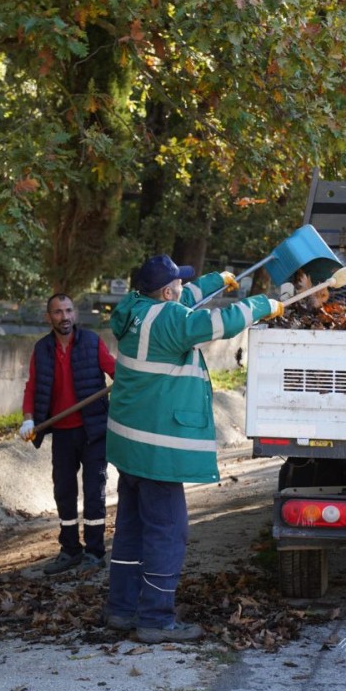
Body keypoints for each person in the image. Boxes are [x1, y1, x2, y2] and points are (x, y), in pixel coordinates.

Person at [103, 254, 282, 643]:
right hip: (158, 451)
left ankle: (122, 608)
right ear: (166, 292)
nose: (184, 289)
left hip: (129, 447)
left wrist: (217, 279)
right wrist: (263, 304)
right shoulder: (171, 321)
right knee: (169, 532)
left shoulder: (135, 308)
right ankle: (155, 619)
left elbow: (185, 302)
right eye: (179, 285)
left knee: (132, 531)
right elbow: (216, 322)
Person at [19, 294, 116, 574]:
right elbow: (33, 386)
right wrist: (28, 419)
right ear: (48, 317)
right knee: (64, 491)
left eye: (69, 310)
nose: (65, 317)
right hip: (61, 432)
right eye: (58, 312)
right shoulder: (42, 349)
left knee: (94, 491)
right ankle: (71, 549)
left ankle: (95, 553)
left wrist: (128, 379)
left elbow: (112, 370)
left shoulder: (91, 342)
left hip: (93, 430)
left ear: (75, 314)